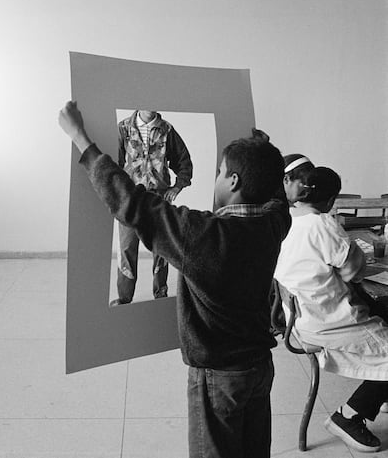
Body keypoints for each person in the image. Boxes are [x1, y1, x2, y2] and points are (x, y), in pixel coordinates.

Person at [59, 101, 291, 458]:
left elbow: (134, 205)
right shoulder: (274, 224)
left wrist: (81, 139)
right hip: (259, 368)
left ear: (233, 181)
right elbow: (278, 197)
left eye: (220, 172)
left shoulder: (203, 236)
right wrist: (262, 150)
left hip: (219, 378)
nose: (216, 177)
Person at [274, 166, 388, 453]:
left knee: (384, 307)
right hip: (328, 322)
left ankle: (382, 392)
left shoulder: (288, 220)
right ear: (330, 200)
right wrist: (355, 252)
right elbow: (352, 272)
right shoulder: (323, 224)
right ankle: (347, 416)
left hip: (301, 317)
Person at [114, 109, 193, 304]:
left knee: (161, 249)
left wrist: (177, 187)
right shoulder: (123, 128)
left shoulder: (167, 130)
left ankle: (160, 295)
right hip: (130, 200)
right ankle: (124, 298)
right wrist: (117, 192)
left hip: (158, 200)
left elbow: (184, 162)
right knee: (127, 248)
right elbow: (115, 163)